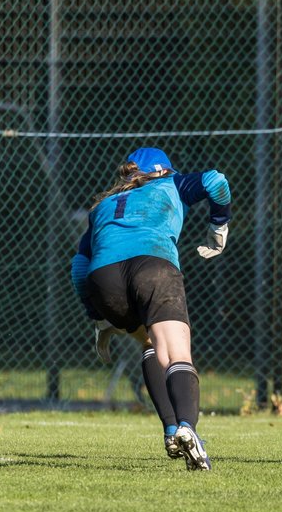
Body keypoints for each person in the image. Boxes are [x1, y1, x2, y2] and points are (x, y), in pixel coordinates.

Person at [70, 147, 231, 471]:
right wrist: (219, 227)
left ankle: (172, 430)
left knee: (149, 343)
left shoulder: (103, 206)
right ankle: (187, 426)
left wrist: (97, 316)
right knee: (176, 352)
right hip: (152, 266)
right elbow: (216, 181)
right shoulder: (172, 184)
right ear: (163, 171)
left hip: (103, 280)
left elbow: (78, 266)